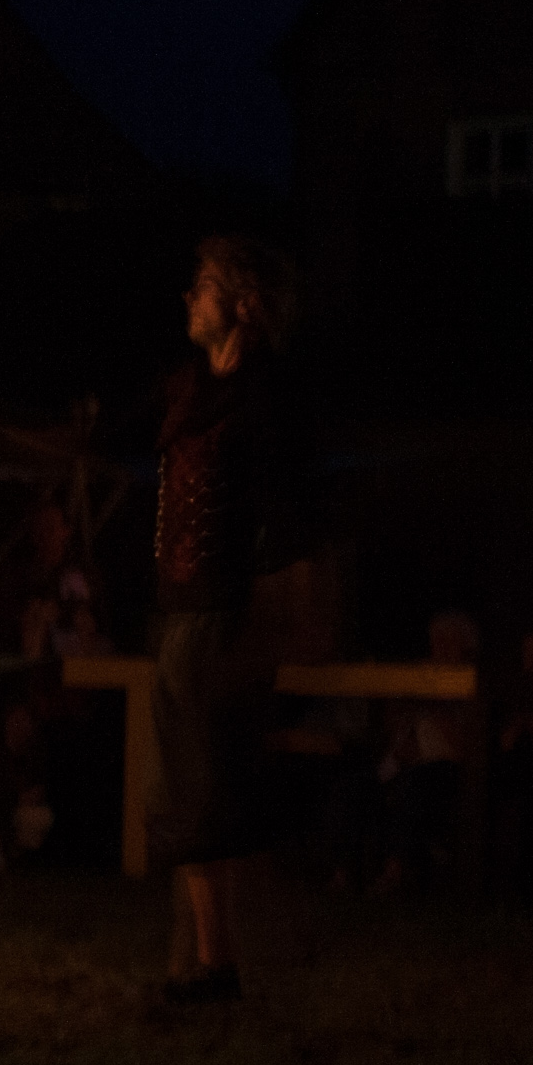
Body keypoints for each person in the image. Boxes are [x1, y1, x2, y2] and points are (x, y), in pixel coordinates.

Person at [150, 236, 313, 1003]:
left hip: (225, 615)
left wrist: (269, 619)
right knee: (189, 793)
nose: (191, 297)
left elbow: (286, 517)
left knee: (214, 794)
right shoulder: (186, 391)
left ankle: (224, 963)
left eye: (206, 285)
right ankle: (207, 962)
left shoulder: (265, 402)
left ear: (243, 304)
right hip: (179, 615)